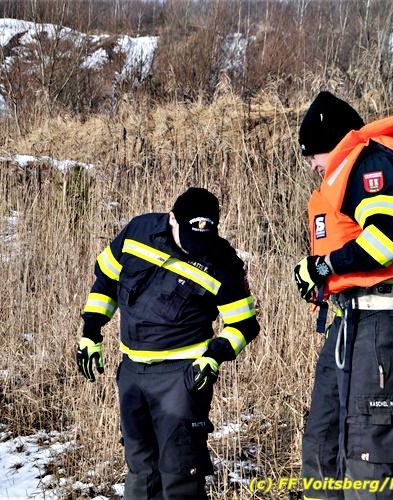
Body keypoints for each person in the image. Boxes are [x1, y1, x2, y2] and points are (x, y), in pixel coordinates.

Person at [293, 91, 393, 499]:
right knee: (322, 442)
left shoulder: (369, 163)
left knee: (367, 453)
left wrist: (323, 266)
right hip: (351, 318)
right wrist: (320, 276)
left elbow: (384, 241)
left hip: (382, 320)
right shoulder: (349, 169)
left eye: (313, 154)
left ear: (333, 142)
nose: (312, 164)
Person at [76, 187, 260, 499]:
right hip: (132, 373)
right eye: (189, 237)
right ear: (172, 219)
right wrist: (91, 331)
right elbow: (106, 281)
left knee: (180, 472)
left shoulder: (222, 261)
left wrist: (214, 356)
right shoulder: (137, 232)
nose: (195, 247)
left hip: (181, 378)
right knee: (140, 469)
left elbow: (244, 324)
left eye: (204, 237)